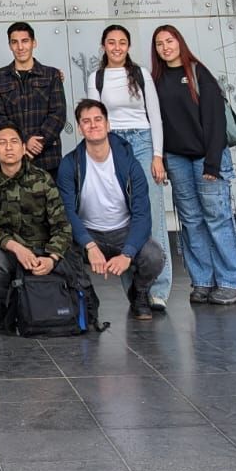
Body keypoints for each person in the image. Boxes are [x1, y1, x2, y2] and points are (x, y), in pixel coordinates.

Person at [150, 24, 236, 305]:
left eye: (170, 41)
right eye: (159, 43)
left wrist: (213, 164)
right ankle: (202, 281)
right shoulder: (156, 80)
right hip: (177, 159)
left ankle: (231, 282)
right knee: (190, 221)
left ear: (180, 42)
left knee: (217, 220)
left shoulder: (197, 73)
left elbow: (215, 121)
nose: (165, 47)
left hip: (207, 157)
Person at [87, 24, 171, 311]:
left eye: (122, 42)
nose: (117, 47)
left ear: (128, 46)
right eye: (111, 42)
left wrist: (157, 155)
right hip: (113, 144)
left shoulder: (141, 75)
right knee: (123, 217)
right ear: (104, 46)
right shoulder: (96, 78)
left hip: (144, 140)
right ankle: (136, 291)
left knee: (153, 215)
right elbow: (96, 121)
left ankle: (158, 290)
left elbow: (155, 117)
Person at [58, 99, 167, 320]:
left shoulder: (130, 164)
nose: (93, 125)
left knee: (155, 256)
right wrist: (89, 245)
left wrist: (127, 253)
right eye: (86, 121)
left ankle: (140, 293)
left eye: (98, 119)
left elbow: (142, 215)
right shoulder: (70, 164)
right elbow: (67, 211)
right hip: (88, 234)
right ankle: (87, 297)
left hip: (122, 231)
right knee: (61, 254)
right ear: (80, 129)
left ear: (108, 125)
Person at [0, 122, 75, 324]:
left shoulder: (42, 178)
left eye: (14, 142)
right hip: (8, 251)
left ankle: (57, 308)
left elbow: (62, 226)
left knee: (71, 259)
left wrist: (51, 258)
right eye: (2, 143)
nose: (8, 147)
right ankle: (5, 307)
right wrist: (16, 248)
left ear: (23, 148)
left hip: (42, 250)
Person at [0, 21, 68, 177]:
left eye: (25, 41)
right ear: (10, 45)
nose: (20, 47)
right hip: (11, 161)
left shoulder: (51, 75)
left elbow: (58, 114)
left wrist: (36, 144)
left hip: (48, 159)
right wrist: (24, 143)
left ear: (34, 43)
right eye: (14, 42)